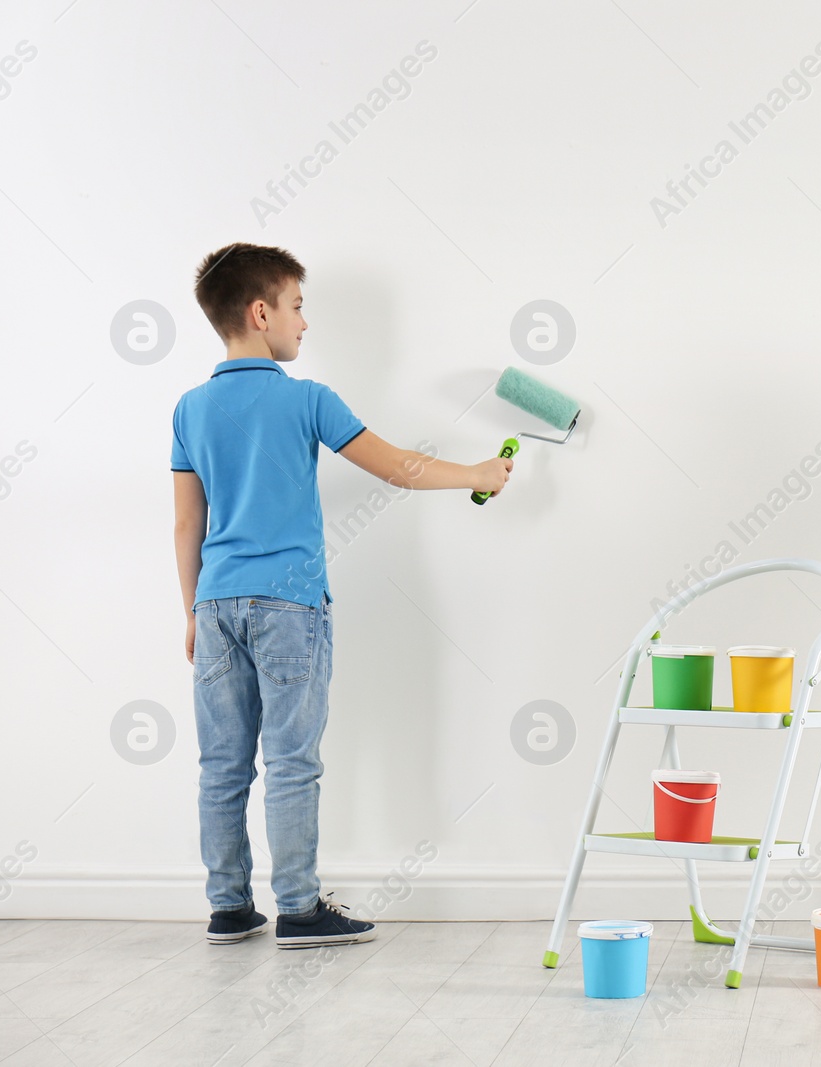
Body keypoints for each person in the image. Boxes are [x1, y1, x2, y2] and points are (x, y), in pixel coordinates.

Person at [171, 243, 513, 948]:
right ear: (261, 312)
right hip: (290, 605)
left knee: (223, 763)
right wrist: (478, 469)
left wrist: (192, 613)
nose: (304, 322)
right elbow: (396, 467)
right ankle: (298, 907)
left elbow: (186, 521)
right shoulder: (306, 399)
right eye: (297, 306)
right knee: (292, 760)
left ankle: (229, 907)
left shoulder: (189, 408)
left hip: (215, 604)